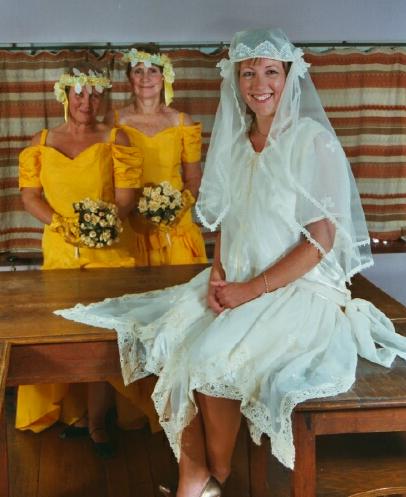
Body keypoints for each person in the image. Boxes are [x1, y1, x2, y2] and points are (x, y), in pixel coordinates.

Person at [55, 28, 406, 497]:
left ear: (290, 76)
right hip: (234, 280)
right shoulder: (238, 141)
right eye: (248, 73)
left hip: (297, 291)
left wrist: (250, 290)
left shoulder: (311, 141)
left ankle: (210, 477)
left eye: (270, 72)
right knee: (164, 340)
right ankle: (200, 476)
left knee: (207, 360)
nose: (259, 84)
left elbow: (320, 240)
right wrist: (219, 272)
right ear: (235, 80)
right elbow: (227, 220)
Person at [17, 65, 142, 457]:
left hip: (108, 252)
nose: (87, 102)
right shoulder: (41, 141)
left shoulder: (116, 138)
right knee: (62, 333)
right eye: (79, 93)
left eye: (95, 94)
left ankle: (98, 420)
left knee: (100, 336)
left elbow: (127, 198)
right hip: (60, 250)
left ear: (103, 98)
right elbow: (30, 196)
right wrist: (60, 224)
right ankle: (73, 414)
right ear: (65, 95)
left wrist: (102, 224)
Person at [105, 47, 207, 266]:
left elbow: (193, 178)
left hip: (175, 230)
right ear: (129, 78)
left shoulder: (182, 122)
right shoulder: (114, 121)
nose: (145, 78)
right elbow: (105, 176)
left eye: (152, 71)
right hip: (131, 227)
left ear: (164, 76)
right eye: (138, 71)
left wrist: (176, 208)